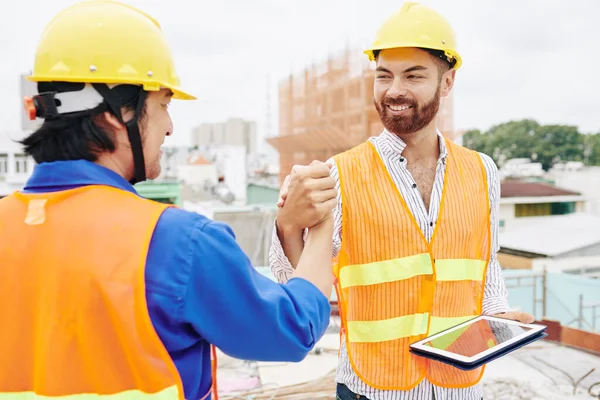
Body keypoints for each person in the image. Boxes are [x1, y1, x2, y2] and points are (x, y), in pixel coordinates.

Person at [0, 1, 337, 400]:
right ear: (115, 114)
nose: (171, 127)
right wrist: (321, 228)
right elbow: (291, 329)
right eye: (163, 105)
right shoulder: (175, 241)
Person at [270, 2, 535, 400]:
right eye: (384, 76)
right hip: (372, 387)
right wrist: (288, 226)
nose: (394, 90)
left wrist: (497, 317)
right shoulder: (339, 174)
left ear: (447, 82)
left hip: (459, 387)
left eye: (413, 75)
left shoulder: (483, 171)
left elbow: (486, 262)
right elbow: (296, 288)